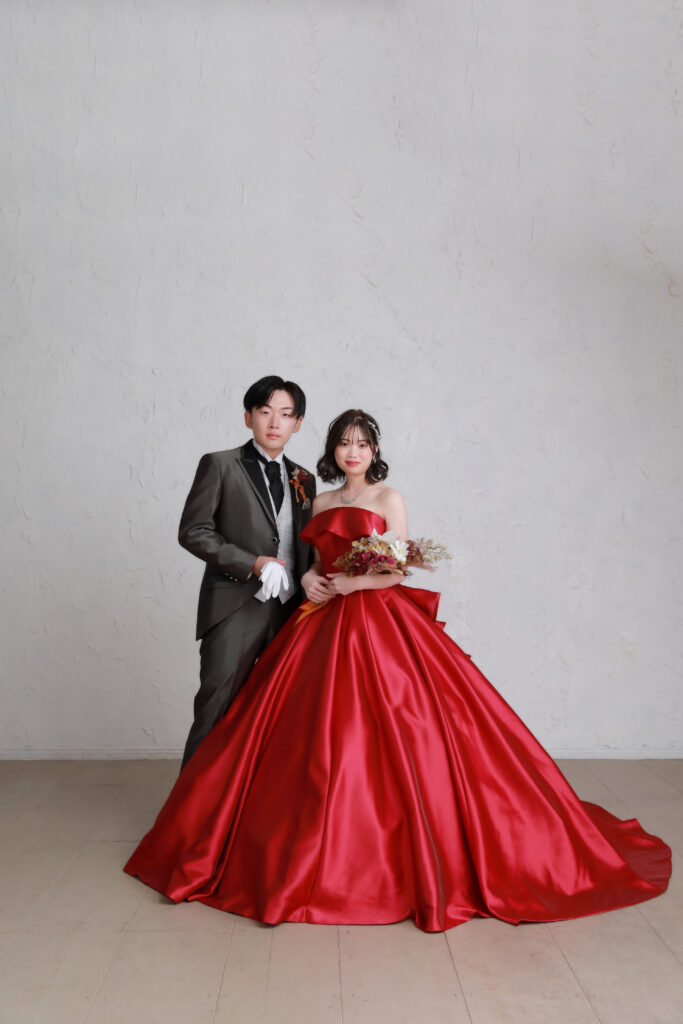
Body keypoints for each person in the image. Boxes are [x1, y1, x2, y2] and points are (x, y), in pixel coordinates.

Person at [125, 410, 671, 932]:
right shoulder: (319, 499)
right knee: (303, 731)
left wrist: (356, 583)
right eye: (344, 443)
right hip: (323, 620)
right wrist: (315, 581)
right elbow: (314, 564)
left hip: (377, 618)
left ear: (375, 450)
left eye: (362, 444)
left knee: (401, 724)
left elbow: (399, 567)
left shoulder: (389, 498)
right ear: (332, 449)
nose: (353, 452)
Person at [177, 375, 315, 768]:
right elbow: (193, 531)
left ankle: (249, 802)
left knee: (277, 714)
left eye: (285, 414)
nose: (274, 422)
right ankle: (192, 803)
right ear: (248, 417)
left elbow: (304, 544)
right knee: (216, 705)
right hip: (236, 605)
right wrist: (252, 562)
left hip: (290, 611)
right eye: (265, 411)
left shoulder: (304, 479)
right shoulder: (220, 464)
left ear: (297, 423)